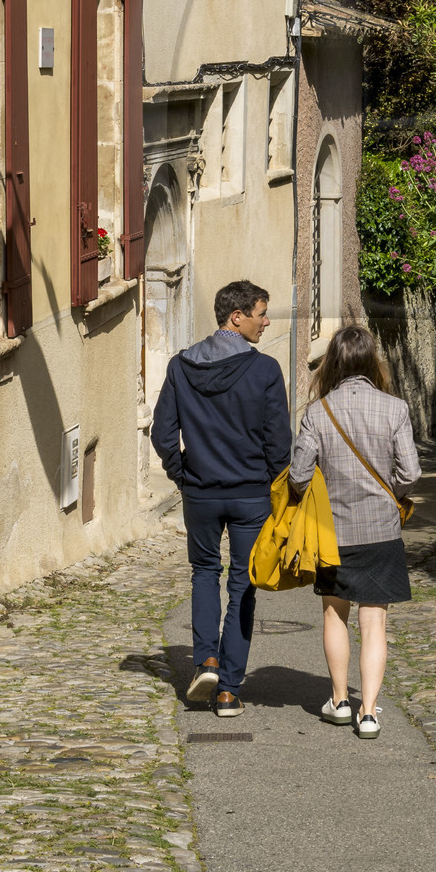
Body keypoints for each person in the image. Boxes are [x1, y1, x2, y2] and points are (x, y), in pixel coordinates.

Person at [151, 279, 291, 718]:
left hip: (202, 495)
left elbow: (161, 434)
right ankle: (229, 689)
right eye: (261, 313)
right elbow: (279, 444)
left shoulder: (180, 366)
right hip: (251, 495)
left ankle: (205, 661)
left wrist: (183, 474)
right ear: (237, 316)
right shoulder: (265, 370)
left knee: (203, 572)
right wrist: (270, 485)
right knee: (243, 585)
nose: (266, 321)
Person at [289, 322, 418, 739]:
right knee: (375, 623)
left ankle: (340, 700)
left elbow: (298, 475)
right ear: (371, 361)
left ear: (333, 363)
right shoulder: (394, 408)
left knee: (334, 616)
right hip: (381, 530)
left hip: (333, 534)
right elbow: (410, 472)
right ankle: (369, 713)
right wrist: (389, 495)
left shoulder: (319, 412)